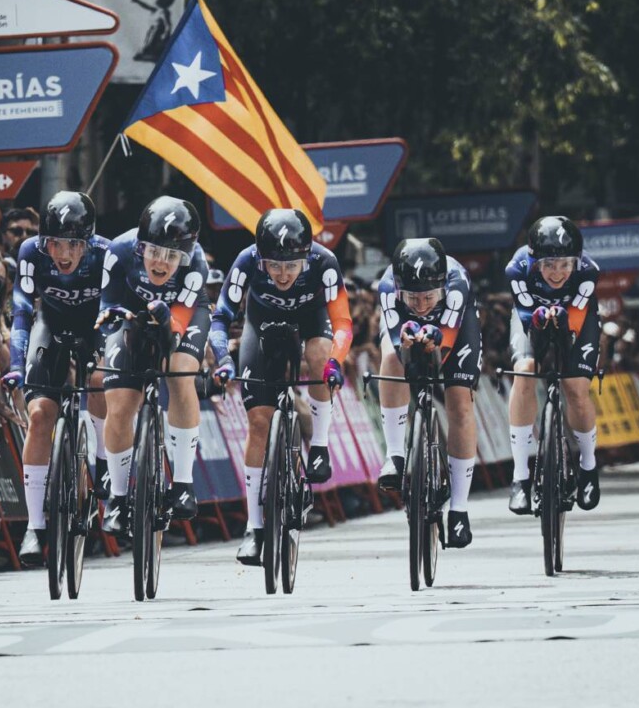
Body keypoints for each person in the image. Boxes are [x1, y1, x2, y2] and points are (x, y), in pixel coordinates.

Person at [209, 208, 353, 566]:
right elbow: (221, 317)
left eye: (292, 266)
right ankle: (254, 529)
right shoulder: (246, 260)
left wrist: (335, 363)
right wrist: (223, 359)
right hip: (260, 324)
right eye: (274, 266)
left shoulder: (325, 261)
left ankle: (318, 445)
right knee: (259, 421)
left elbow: (342, 323)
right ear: (261, 258)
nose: (284, 274)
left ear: (307, 257)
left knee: (319, 354)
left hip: (312, 321)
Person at [3, 191, 110, 565]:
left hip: (95, 324)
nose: (63, 254)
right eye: (54, 244)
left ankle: (103, 463)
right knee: (39, 415)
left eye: (73, 245)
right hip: (50, 323)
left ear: (88, 242)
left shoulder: (105, 253)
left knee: (99, 379)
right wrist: (17, 364)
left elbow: (113, 308)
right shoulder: (30, 252)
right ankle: (35, 526)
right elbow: (21, 309)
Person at [96, 196, 209, 535]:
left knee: (179, 371)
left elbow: (176, 328)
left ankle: (183, 484)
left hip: (184, 313)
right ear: (140, 247)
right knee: (120, 402)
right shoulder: (118, 250)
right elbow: (107, 306)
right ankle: (117, 498)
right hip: (129, 310)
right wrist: (113, 328)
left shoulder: (196, 263)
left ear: (184, 256)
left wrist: (164, 320)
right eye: (154, 252)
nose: (161, 262)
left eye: (172, 256)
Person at [376, 237, 482, 549]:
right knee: (392, 359)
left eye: (428, 297)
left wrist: (432, 340)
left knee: (459, 401)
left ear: (442, 288)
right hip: (405, 326)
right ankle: (394, 456)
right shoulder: (386, 286)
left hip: (454, 328)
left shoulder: (457, 284)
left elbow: (444, 344)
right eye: (413, 297)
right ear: (399, 290)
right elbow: (398, 342)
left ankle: (459, 510)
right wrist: (407, 344)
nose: (421, 305)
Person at [505, 215, 601, 514]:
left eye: (564, 265)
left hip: (576, 316)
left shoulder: (588, 271)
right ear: (535, 262)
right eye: (548, 265)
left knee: (575, 388)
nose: (557, 273)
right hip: (530, 315)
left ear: (576, 262)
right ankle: (520, 476)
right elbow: (524, 313)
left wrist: (562, 329)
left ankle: (588, 467)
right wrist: (540, 320)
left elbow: (576, 318)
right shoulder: (517, 268)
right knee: (524, 371)